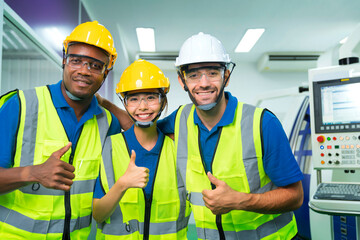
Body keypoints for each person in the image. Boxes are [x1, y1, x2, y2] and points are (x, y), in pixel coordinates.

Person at [157, 32, 304, 239]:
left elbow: (295, 197)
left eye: (213, 73)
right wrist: (103, 104)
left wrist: (240, 201)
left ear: (226, 76)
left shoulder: (262, 123)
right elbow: (141, 127)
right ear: (182, 81)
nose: (204, 83)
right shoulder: (179, 119)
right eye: (193, 75)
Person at [0, 21, 131, 239]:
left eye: (95, 65)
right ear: (64, 61)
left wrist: (107, 104)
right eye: (76, 61)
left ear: (106, 73)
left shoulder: (107, 122)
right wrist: (33, 172)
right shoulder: (19, 105)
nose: (84, 71)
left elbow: (141, 132)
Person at [93, 59, 190, 239]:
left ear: (163, 100)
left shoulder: (178, 149)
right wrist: (122, 185)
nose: (143, 106)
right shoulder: (109, 147)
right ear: (125, 103)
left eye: (151, 97)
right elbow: (98, 215)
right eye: (134, 99)